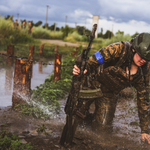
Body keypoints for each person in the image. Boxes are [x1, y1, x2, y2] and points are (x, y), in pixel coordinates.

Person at [73, 32, 150, 144]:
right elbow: (96, 58)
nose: (143, 60)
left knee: (102, 131)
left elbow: (143, 100)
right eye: (141, 56)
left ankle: (90, 120)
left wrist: (145, 130)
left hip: (109, 93)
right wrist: (82, 69)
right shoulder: (120, 49)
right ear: (134, 49)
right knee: (75, 118)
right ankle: (84, 118)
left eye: (146, 59)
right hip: (91, 83)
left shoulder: (144, 72)